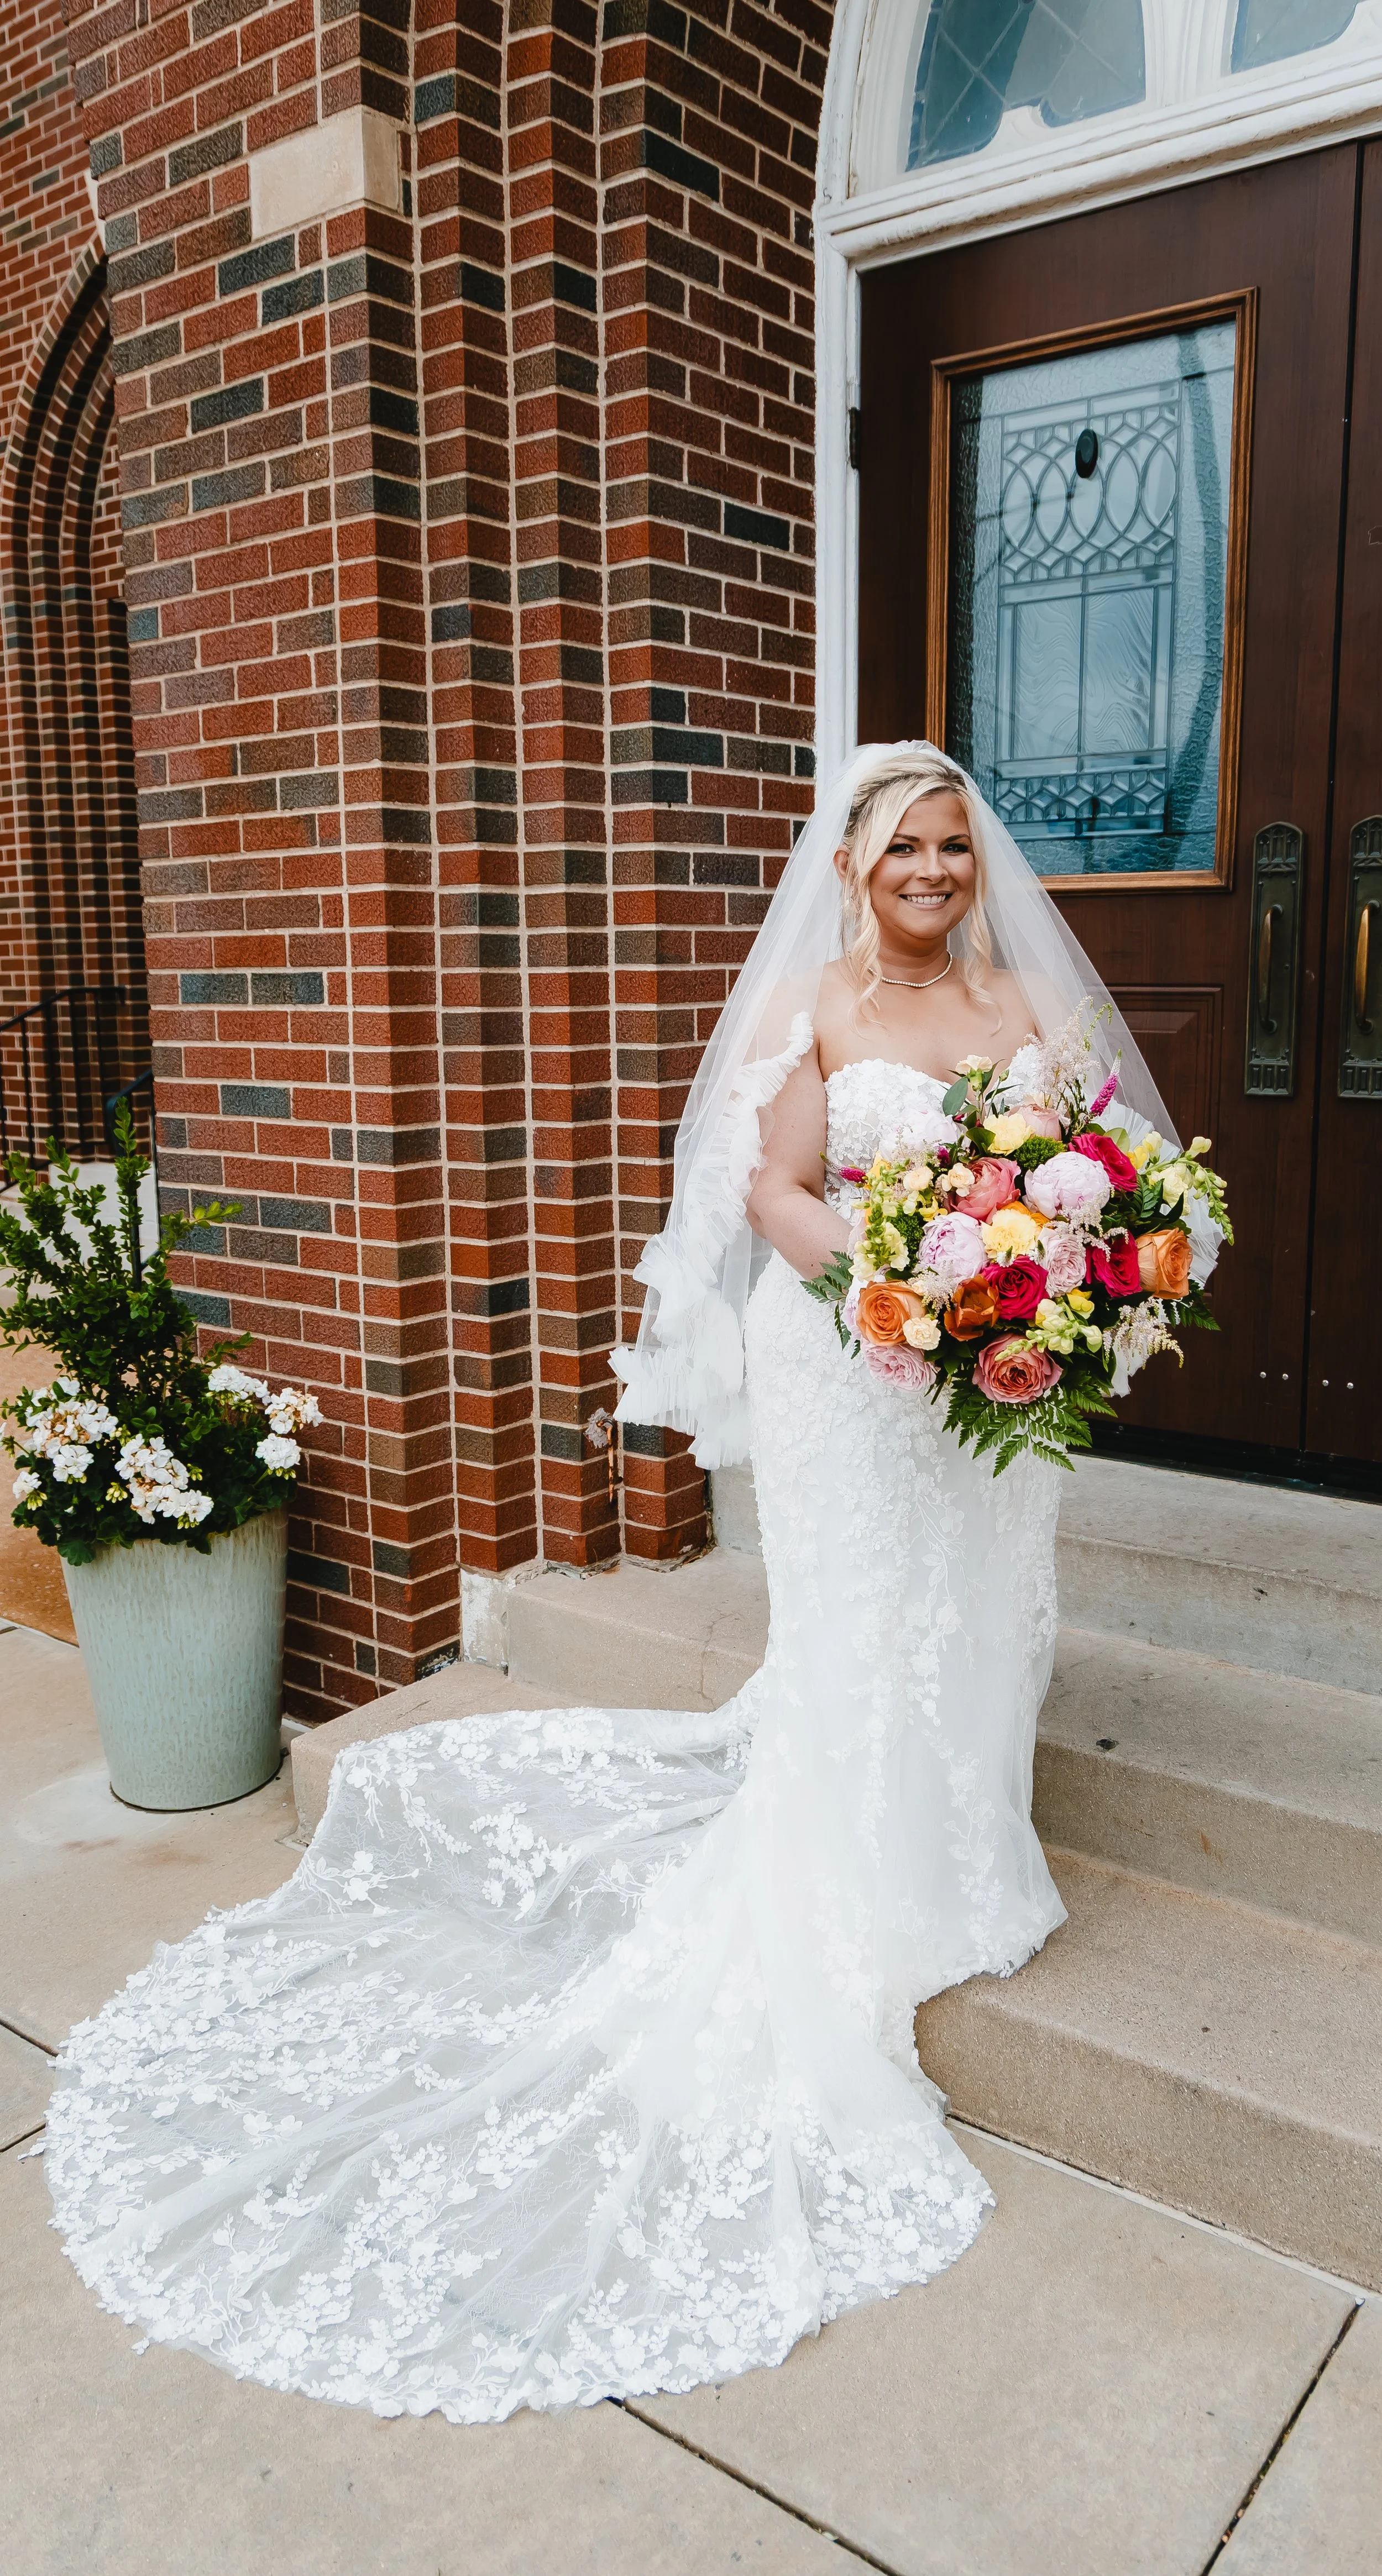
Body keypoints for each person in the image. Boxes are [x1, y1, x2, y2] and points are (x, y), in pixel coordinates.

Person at [43, 743, 1182, 2425]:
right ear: (857, 865)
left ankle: (964, 1841)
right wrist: (909, 1294)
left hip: (984, 1385)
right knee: (866, 1616)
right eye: (903, 851)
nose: (934, 872)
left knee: (980, 1594)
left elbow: (1107, 1187)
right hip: (854, 1362)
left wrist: (1045, 1294)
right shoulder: (817, 1002)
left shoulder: (1028, 1009)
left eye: (953, 846)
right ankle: (864, 1869)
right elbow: (777, 1191)